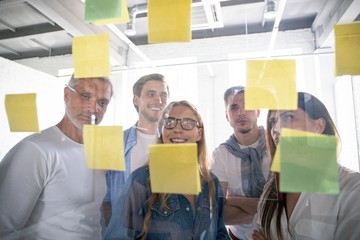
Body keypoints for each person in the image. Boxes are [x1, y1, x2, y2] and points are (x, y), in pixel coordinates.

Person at [0, 74, 113, 239]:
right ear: (67, 95)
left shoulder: (100, 151)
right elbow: (4, 229)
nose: (93, 108)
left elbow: (92, 217)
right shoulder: (36, 150)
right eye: (86, 96)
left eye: (102, 102)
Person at [104, 100, 230, 239]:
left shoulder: (211, 182)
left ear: (199, 133)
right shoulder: (140, 180)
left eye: (187, 123)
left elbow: (220, 234)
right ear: (161, 130)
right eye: (169, 122)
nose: (177, 129)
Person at [247, 92, 360, 240]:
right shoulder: (272, 187)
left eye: (288, 117)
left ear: (318, 126)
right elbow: (253, 234)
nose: (276, 129)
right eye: (273, 121)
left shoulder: (352, 187)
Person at [103, 73, 169, 225]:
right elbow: (105, 197)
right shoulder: (115, 142)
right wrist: (115, 229)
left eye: (163, 95)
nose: (158, 100)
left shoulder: (174, 144)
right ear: (136, 100)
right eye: (150, 94)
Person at [211, 86, 270, 240]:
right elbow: (218, 213)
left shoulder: (276, 145)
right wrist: (269, 211)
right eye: (234, 108)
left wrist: (234, 201)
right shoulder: (221, 154)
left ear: (258, 111)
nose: (241, 112)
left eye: (247, 106)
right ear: (227, 116)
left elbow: (290, 206)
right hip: (239, 237)